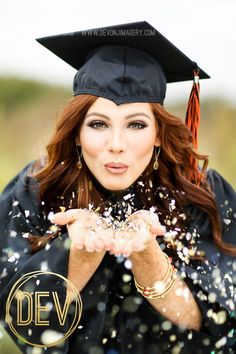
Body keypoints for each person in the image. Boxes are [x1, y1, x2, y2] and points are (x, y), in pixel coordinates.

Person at [0, 21, 235, 354]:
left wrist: (149, 258)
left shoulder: (198, 192)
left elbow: (221, 326)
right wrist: (77, 257)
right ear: (77, 133)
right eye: (98, 124)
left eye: (136, 124)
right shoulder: (38, 189)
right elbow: (23, 330)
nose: (116, 144)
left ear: (157, 134)